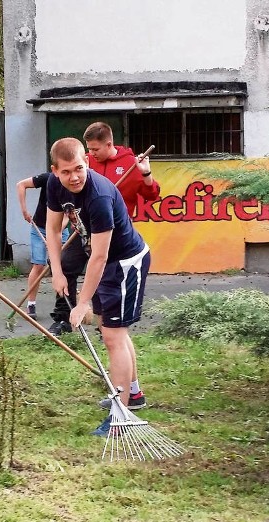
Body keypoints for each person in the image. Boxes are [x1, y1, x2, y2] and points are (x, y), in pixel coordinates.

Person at [47, 122, 160, 411]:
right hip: (106, 262)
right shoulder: (54, 185)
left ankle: (120, 412)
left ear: (87, 161)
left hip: (124, 262)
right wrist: (57, 272)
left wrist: (82, 303)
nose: (74, 177)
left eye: (78, 169)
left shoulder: (98, 196)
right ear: (55, 170)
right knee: (113, 330)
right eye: (66, 171)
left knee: (112, 335)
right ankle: (133, 395)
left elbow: (99, 256)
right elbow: (52, 229)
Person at [16, 174, 69, 320]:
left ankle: (65, 306)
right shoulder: (47, 178)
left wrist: (55, 233)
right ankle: (31, 303)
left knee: (64, 266)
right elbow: (21, 184)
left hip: (60, 230)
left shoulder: (72, 184)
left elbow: (67, 217)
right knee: (39, 265)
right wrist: (24, 210)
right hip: (39, 227)